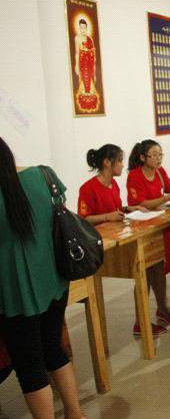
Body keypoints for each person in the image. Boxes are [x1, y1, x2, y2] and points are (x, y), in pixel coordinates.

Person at [0, 138, 84, 419]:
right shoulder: (43, 175)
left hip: (13, 294)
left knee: (29, 366)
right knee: (53, 349)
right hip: (53, 282)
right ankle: (75, 413)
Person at [127, 140, 170, 334]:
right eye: (154, 155)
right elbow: (141, 203)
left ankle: (163, 309)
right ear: (143, 157)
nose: (159, 158)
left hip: (158, 224)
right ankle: (142, 320)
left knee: (158, 267)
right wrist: (167, 198)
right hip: (143, 227)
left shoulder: (159, 171)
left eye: (161, 154)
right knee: (145, 273)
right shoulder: (135, 175)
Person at [78, 144, 147, 225]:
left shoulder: (113, 183)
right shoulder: (87, 188)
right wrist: (106, 217)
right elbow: (84, 219)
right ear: (107, 162)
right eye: (119, 161)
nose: (122, 165)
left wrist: (128, 209)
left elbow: (115, 211)